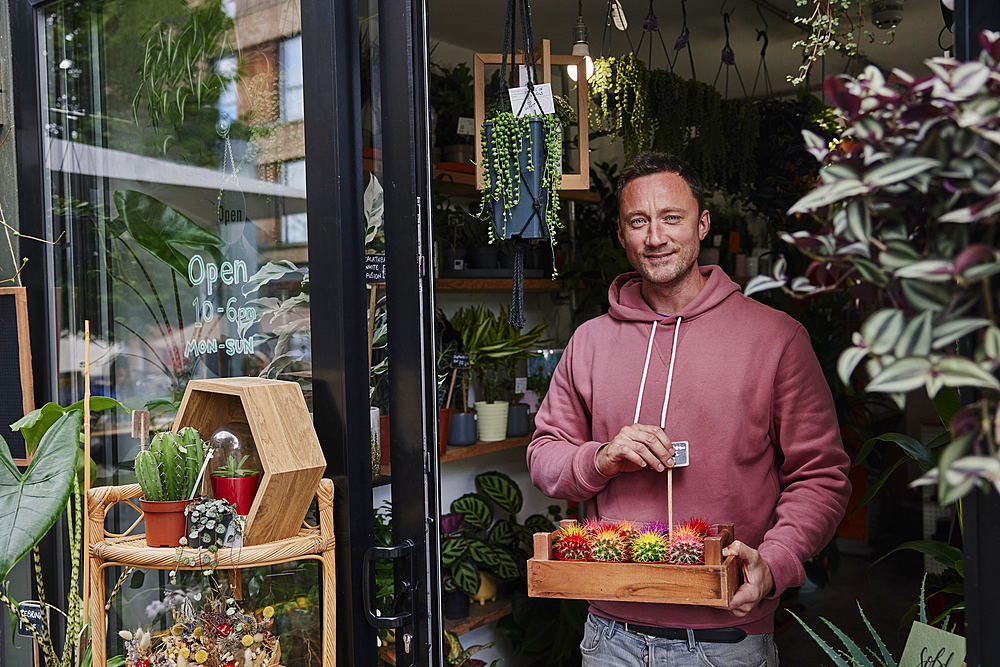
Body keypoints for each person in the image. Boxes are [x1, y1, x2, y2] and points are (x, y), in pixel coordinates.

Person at [526, 151, 852, 666]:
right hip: (610, 635)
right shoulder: (590, 342)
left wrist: (776, 561)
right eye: (638, 221)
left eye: (671, 218)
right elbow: (545, 456)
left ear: (702, 225)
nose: (655, 237)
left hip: (727, 641)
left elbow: (822, 476)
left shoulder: (776, 338)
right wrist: (600, 458)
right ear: (621, 234)